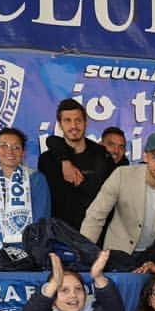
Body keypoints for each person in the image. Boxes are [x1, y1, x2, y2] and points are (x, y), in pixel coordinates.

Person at [79, 131, 155, 258]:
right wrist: (83, 254)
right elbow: (95, 216)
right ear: (145, 157)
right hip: (116, 253)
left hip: (152, 258)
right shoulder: (121, 175)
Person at [37, 98, 115, 230]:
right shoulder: (47, 160)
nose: (73, 126)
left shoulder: (101, 155)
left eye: (78, 120)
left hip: (96, 235)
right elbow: (43, 202)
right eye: (67, 120)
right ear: (60, 125)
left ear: (85, 122)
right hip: (60, 236)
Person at [0, 127, 51, 252]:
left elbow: (41, 220)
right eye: (4, 146)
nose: (10, 151)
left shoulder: (36, 179)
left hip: (26, 252)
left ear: (23, 152)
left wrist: (35, 253)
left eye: (16, 147)